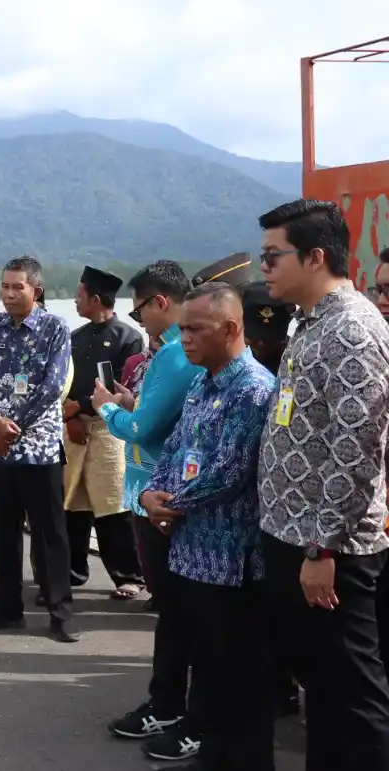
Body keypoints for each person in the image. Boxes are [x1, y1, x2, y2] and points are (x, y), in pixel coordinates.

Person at [257, 198, 389, 771]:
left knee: (353, 697)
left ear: (314, 257)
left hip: (331, 552)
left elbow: (355, 452)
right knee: (324, 694)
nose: (264, 269)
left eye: (272, 256)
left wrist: (321, 547)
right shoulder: (308, 323)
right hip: (294, 539)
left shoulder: (353, 331)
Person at [139, 282, 277, 770]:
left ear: (232, 329)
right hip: (189, 551)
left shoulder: (254, 390)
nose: (186, 339)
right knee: (211, 671)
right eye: (181, 328)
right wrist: (149, 493)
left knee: (242, 678)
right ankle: (215, 755)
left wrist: (169, 503)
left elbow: (232, 472)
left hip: (231, 564)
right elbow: (174, 448)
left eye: (195, 329)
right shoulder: (203, 382)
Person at [93, 260, 202, 758]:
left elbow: (142, 430)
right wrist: (129, 405)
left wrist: (107, 409)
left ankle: (174, 705)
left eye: (139, 308)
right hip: (153, 492)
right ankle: (170, 701)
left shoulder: (178, 354)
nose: (139, 320)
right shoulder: (174, 353)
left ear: (160, 302)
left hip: (163, 496)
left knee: (179, 612)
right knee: (174, 610)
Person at [0, 256, 79, 643]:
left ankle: (61, 612)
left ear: (36, 289)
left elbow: (52, 386)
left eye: (19, 287)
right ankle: (7, 608)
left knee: (51, 533)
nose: (10, 294)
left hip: (40, 449)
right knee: (4, 531)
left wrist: (13, 429)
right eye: (5, 286)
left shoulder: (54, 328)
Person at [62, 266, 146, 597]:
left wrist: (81, 406)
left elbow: (122, 388)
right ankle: (71, 571)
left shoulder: (129, 338)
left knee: (113, 504)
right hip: (74, 427)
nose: (75, 300)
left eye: (80, 295)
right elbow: (63, 380)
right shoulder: (74, 337)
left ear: (95, 299)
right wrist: (70, 416)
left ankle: (128, 575)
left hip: (108, 429)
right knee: (73, 503)